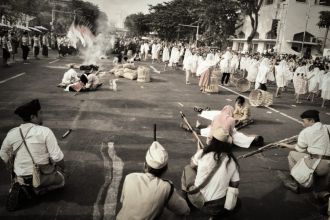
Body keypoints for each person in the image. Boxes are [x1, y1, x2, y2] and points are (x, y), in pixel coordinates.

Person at [0, 99, 65, 210]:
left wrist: (11, 166)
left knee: (21, 175)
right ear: (32, 117)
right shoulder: (45, 131)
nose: (42, 115)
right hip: (40, 174)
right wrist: (64, 168)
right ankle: (38, 189)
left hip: (21, 175)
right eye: (40, 113)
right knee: (61, 181)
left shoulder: (12, 132)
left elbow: (3, 153)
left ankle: (21, 185)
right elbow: (57, 157)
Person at [117, 141, 190, 220]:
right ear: (165, 169)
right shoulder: (166, 187)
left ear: (145, 165)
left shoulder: (129, 177)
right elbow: (185, 210)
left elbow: (123, 202)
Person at [181, 127, 240, 218]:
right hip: (218, 206)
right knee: (238, 203)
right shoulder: (231, 161)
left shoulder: (202, 153)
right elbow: (235, 183)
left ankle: (186, 202)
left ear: (212, 140)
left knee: (187, 168)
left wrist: (198, 153)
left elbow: (192, 166)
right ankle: (215, 216)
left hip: (196, 200)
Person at [278, 110, 330, 196]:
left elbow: (299, 149)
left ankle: (294, 184)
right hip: (328, 164)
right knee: (320, 162)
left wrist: (286, 145)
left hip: (318, 164)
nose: (303, 124)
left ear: (312, 121)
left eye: (304, 121)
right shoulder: (327, 127)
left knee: (292, 154)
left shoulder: (306, 132)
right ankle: (322, 192)